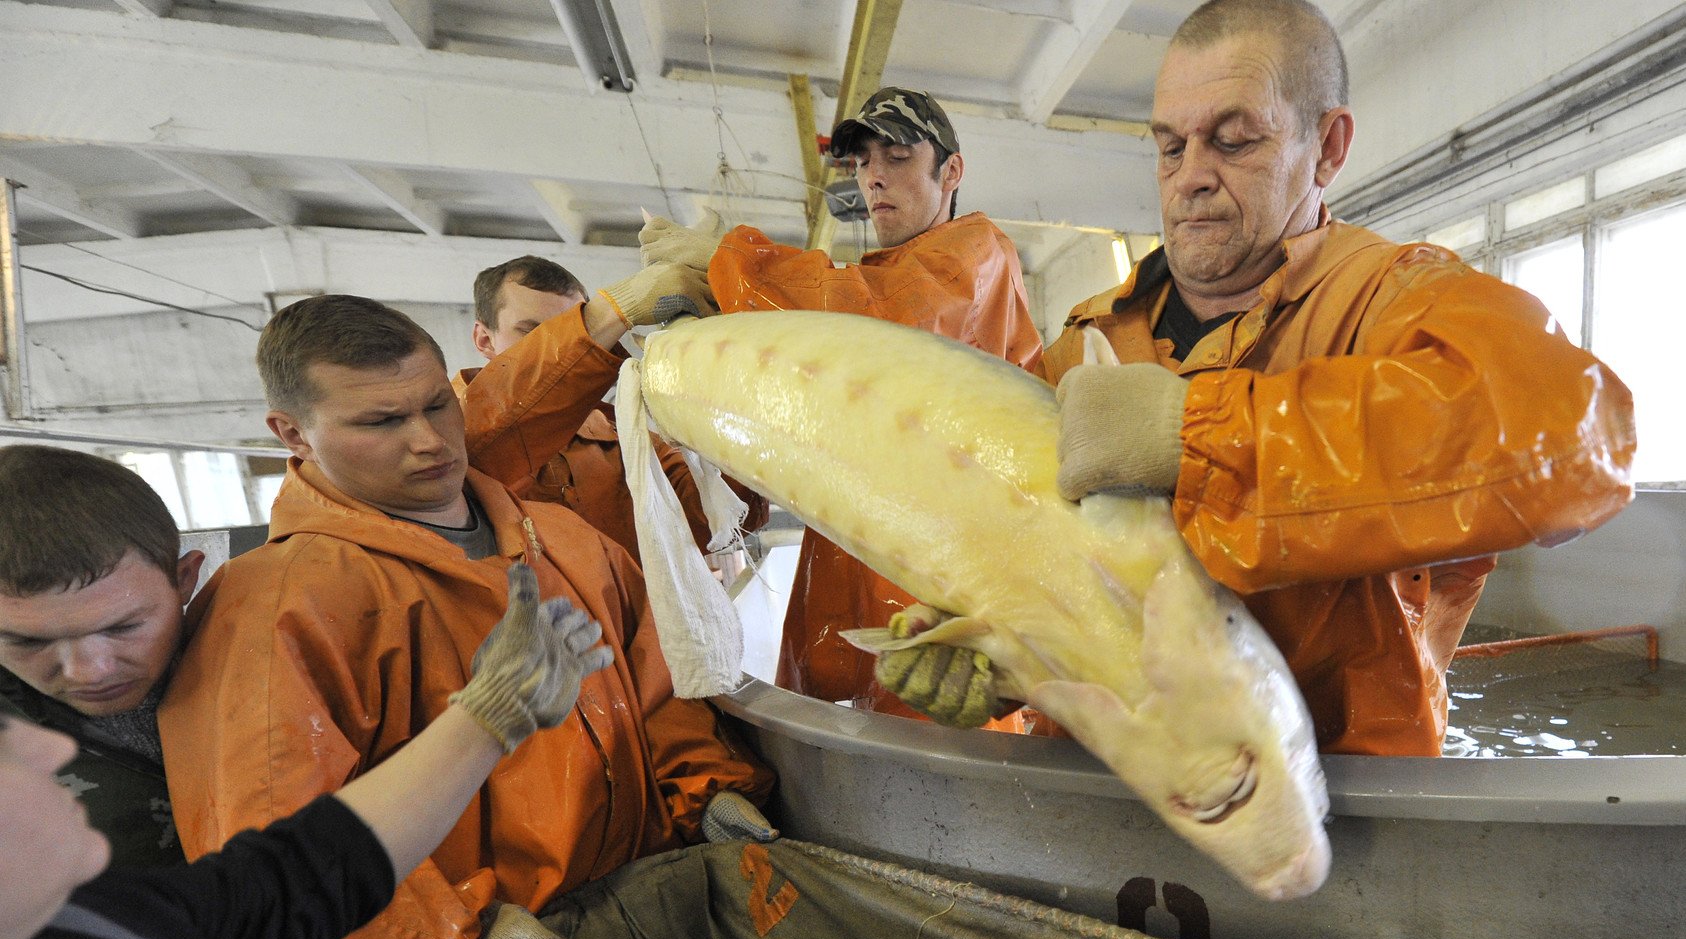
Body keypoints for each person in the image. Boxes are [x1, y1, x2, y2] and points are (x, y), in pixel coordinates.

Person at [885, 0, 1637, 755]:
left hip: (1330, 809)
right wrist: (988, 647)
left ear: (1328, 147)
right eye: (1170, 147)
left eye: (1234, 140)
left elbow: (1577, 440)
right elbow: (1046, 566)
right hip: (1098, 789)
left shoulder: (1392, 302)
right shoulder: (1087, 342)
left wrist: (1198, 436)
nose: (1191, 179)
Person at [157, 295, 775, 939]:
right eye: (380, 422)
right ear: (291, 432)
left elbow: (659, 693)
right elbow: (275, 854)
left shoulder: (569, 543)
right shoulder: (276, 605)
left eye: (437, 404)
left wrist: (709, 789)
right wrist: (452, 934)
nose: (428, 442)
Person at [2, 564, 612, 939]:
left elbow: (289, 882)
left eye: (124, 625)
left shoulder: (80, 925)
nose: (51, 750)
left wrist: (489, 717)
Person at [639, 87, 1045, 724]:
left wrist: (733, 262)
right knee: (844, 722)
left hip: (939, 561)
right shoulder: (895, 270)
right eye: (862, 162)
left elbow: (890, 313)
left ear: (953, 172)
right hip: (870, 541)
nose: (873, 176)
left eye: (898, 156)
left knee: (934, 743)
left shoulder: (977, 252)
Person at [458, 254, 767, 561]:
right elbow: (495, 427)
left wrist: (741, 399)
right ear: (484, 339)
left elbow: (721, 518)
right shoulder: (451, 435)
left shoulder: (624, 438)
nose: (555, 349)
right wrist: (619, 307)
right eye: (532, 333)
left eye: (565, 331)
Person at [0, 445, 200, 867]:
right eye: (28, 642)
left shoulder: (289, 658)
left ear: (184, 580)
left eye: (123, 628)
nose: (89, 671)